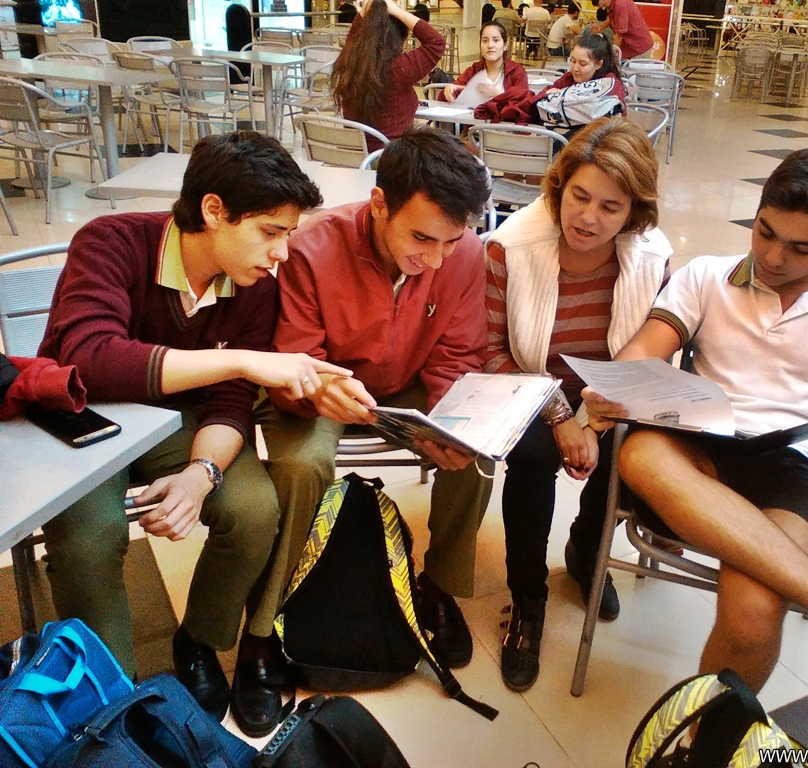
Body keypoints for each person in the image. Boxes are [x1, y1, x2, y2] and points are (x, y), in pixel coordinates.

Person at [583, 147, 808, 736]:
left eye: (800, 249)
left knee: (751, 620)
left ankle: (705, 744)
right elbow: (645, 350)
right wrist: (621, 383)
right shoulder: (706, 277)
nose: (772, 257)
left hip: (795, 462)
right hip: (700, 443)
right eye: (765, 232)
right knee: (639, 452)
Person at [36, 132, 331, 723]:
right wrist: (242, 360)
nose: (281, 253)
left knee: (254, 510)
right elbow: (89, 358)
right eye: (270, 232)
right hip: (82, 415)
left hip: (175, 419)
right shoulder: (111, 241)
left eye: (289, 234)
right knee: (89, 538)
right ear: (214, 210)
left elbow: (231, 401)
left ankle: (199, 639)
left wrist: (201, 473)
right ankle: (112, 696)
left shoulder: (253, 282)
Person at [247, 128, 493, 734]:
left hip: (406, 385)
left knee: (476, 452)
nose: (435, 259)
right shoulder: (311, 247)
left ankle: (437, 586)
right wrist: (320, 389)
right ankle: (264, 626)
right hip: (322, 386)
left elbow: (457, 353)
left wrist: (446, 421)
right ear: (379, 203)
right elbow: (295, 356)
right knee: (301, 464)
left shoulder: (465, 254)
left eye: (450, 240)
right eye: (421, 238)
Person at [483, 119, 671, 692]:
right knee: (533, 455)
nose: (588, 218)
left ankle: (587, 552)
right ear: (559, 187)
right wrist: (562, 417)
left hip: (612, 393)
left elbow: (652, 356)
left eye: (610, 207)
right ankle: (527, 598)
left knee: (631, 451)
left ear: (634, 212)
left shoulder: (651, 258)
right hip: (528, 386)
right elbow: (489, 352)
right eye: (579, 197)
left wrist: (593, 420)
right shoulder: (510, 247)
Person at [329, 0, 444, 151]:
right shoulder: (398, 69)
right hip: (391, 157)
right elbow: (437, 42)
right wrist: (398, 11)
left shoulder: (349, 63)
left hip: (354, 155)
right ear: (399, 40)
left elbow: (353, 37)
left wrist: (370, 10)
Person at [536, 30, 627, 114]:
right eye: (573, 61)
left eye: (582, 64)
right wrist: (546, 95)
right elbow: (536, 101)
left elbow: (615, 119)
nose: (575, 68)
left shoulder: (610, 85)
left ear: (598, 64)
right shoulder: (568, 79)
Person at [440, 21, 528, 108]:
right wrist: (448, 92)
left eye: (496, 40)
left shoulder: (516, 72)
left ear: (505, 45)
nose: (490, 45)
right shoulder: (473, 71)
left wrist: (498, 95)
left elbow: (524, 104)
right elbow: (454, 92)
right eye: (485, 41)